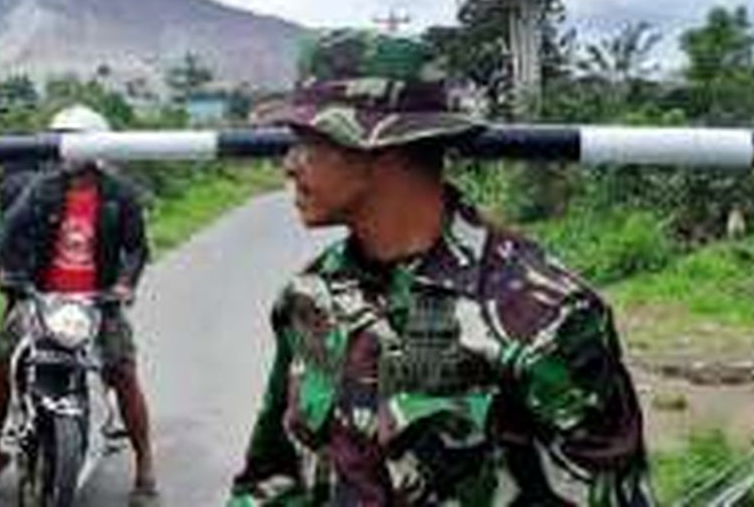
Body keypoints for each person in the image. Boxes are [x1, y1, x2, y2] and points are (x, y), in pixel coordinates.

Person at [229, 29, 653, 505]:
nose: (289, 165)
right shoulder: (311, 296)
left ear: (379, 147)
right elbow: (271, 476)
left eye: (308, 141)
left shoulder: (543, 316)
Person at [0, 104, 157, 503]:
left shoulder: (120, 195)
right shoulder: (42, 189)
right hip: (42, 298)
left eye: (73, 139)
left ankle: (145, 467)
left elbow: (137, 250)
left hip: (99, 302)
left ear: (96, 148)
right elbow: (9, 229)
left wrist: (126, 284)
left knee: (123, 372)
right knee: (0, 364)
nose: (64, 149)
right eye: (60, 139)